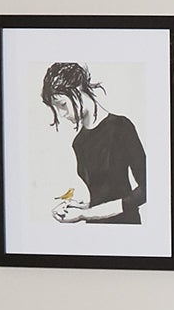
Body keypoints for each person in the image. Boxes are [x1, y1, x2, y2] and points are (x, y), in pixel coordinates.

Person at [41, 62, 146, 225]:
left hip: (125, 225)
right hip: (95, 227)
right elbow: (103, 194)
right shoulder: (79, 142)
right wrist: (80, 208)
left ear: (78, 90)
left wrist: (85, 214)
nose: (61, 114)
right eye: (56, 108)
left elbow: (148, 189)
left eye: (62, 105)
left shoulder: (121, 127)